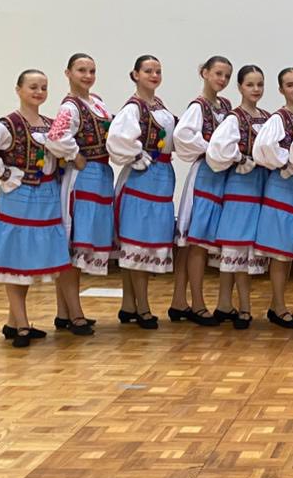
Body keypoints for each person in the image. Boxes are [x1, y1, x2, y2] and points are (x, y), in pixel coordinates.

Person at [0, 69, 71, 347]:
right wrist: (5, 173)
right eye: (33, 87)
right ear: (18, 89)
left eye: (43, 87)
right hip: (19, 200)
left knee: (27, 261)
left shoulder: (50, 125)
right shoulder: (7, 125)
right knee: (15, 260)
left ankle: (12, 322)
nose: (39, 92)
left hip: (46, 200)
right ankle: (21, 325)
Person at [106, 55, 178, 329]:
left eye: (158, 71)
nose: (154, 75)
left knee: (142, 243)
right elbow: (116, 139)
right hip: (140, 181)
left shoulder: (159, 106)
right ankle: (143, 307)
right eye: (148, 71)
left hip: (160, 179)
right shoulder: (133, 108)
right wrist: (137, 155)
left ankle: (128, 304)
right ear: (135, 74)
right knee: (137, 242)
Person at [45, 53, 113, 336]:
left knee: (80, 245)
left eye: (91, 70)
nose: (87, 76)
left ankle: (63, 313)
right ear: (68, 73)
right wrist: (76, 155)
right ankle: (75, 313)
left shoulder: (96, 102)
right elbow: (55, 137)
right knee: (73, 244)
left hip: (100, 176)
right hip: (82, 179)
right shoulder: (70, 106)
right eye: (81, 70)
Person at [205, 65, 271, 329]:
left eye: (259, 84)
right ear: (240, 87)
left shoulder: (267, 117)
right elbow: (217, 149)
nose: (255, 89)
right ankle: (243, 307)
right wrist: (240, 158)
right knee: (235, 245)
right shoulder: (235, 117)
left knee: (243, 247)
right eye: (250, 84)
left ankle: (227, 304)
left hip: (258, 187)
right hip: (239, 189)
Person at [169, 56, 234, 326]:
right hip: (204, 176)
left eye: (227, 76)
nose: (222, 79)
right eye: (218, 73)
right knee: (196, 241)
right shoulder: (198, 106)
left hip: (221, 177)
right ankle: (197, 303)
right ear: (204, 73)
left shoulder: (225, 106)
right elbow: (182, 135)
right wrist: (213, 148)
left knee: (196, 243)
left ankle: (178, 301)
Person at [252, 66, 293, 328]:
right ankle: (278, 306)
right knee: (279, 250)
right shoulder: (279, 118)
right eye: (290, 85)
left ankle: (277, 304)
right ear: (281, 89)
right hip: (283, 187)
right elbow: (263, 147)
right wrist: (285, 161)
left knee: (289, 248)